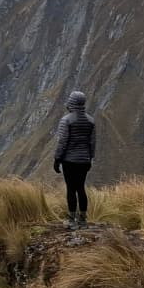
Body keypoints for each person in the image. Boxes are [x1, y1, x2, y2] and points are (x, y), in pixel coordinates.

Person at [53, 90, 96, 226]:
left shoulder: (66, 120)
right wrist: (90, 159)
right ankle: (83, 219)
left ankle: (72, 220)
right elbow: (92, 142)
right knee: (81, 188)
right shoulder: (91, 120)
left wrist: (57, 159)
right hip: (84, 160)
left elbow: (62, 141)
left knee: (71, 188)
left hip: (70, 161)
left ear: (71, 102)